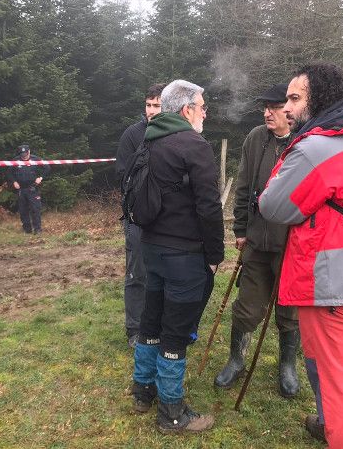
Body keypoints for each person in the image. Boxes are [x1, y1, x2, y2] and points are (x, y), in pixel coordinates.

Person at [258, 63, 343, 448]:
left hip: (332, 284)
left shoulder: (318, 146)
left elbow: (274, 206)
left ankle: (340, 432)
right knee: (340, 372)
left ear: (319, 100)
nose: (286, 107)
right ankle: (325, 423)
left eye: (295, 98)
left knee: (338, 389)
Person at [131, 79, 224, 434]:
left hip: (150, 247)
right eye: (202, 107)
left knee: (151, 320)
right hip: (184, 254)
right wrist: (215, 253)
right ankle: (172, 411)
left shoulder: (149, 138)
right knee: (176, 332)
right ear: (187, 111)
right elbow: (208, 206)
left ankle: (143, 391)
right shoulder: (194, 144)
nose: (205, 113)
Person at [214, 83, 299, 397]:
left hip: (291, 244)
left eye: (274, 107)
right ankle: (236, 360)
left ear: (289, 111)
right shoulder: (254, 139)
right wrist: (239, 230)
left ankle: (287, 365)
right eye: (265, 107)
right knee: (247, 306)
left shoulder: (305, 142)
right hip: (255, 242)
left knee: (289, 310)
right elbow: (245, 185)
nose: (267, 113)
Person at [115, 83, 165, 348]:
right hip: (136, 216)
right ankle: (134, 329)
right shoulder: (132, 135)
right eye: (148, 105)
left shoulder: (174, 134)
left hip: (167, 218)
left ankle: (162, 324)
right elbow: (122, 175)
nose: (151, 111)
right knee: (137, 273)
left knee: (165, 273)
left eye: (157, 105)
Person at [6, 144, 50, 234]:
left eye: (25, 153)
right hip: (21, 189)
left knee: (35, 209)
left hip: (33, 188)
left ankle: (37, 229)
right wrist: (14, 181)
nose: (24, 155)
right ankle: (27, 229)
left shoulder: (36, 159)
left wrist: (41, 178)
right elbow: (9, 172)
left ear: (29, 151)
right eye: (22, 154)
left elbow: (47, 168)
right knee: (23, 210)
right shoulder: (16, 160)